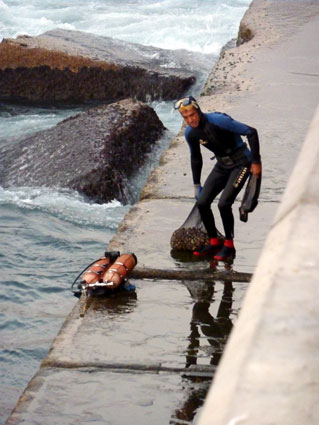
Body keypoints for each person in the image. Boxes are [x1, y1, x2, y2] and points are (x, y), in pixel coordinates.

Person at [174, 96, 262, 262]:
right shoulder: (190, 133)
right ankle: (214, 241)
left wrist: (256, 162)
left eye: (192, 115)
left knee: (224, 204)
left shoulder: (218, 121)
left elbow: (251, 132)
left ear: (198, 111)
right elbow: (196, 158)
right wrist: (196, 185)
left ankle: (229, 245)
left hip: (241, 162)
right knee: (202, 202)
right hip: (222, 164)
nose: (190, 120)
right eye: (185, 118)